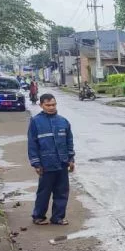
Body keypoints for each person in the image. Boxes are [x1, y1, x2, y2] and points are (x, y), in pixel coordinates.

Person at [27, 93, 75, 226]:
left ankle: (58, 217)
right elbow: (32, 144)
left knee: (62, 192)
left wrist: (71, 159)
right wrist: (36, 163)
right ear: (41, 105)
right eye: (48, 105)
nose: (51, 107)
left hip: (62, 163)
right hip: (46, 164)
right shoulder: (36, 122)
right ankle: (38, 216)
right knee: (44, 192)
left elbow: (69, 141)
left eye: (53, 104)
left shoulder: (63, 122)